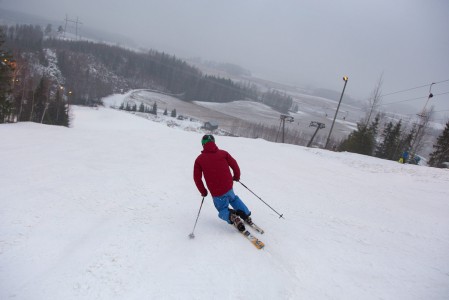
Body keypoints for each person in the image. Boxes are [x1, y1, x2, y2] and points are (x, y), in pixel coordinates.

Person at [193, 134, 252, 232]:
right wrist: (236, 177)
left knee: (222, 209)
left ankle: (233, 217)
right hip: (228, 186)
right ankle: (245, 215)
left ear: (203, 144)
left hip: (216, 192)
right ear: (214, 142)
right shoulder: (223, 153)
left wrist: (203, 191)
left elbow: (197, 178)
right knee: (233, 199)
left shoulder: (199, 159)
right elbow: (234, 165)